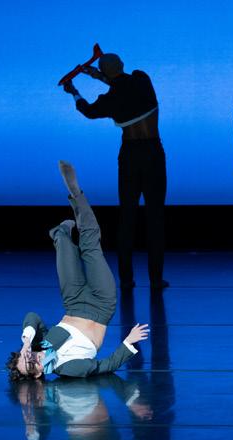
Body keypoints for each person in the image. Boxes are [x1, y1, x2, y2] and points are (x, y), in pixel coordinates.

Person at [6, 161, 149, 380]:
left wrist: (26, 342)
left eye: (27, 356)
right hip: (102, 304)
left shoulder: (41, 344)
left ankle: (67, 216)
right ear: (37, 375)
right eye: (31, 365)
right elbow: (104, 366)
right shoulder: (68, 368)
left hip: (73, 301)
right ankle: (74, 202)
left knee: (64, 248)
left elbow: (32, 316)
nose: (32, 358)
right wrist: (128, 342)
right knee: (90, 248)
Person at [63, 53, 169, 289]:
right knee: (155, 217)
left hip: (130, 155)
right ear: (122, 64)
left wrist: (75, 92)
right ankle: (156, 279)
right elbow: (124, 84)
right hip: (153, 153)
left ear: (105, 72)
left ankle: (126, 280)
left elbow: (89, 111)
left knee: (127, 217)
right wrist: (99, 76)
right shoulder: (142, 80)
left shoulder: (110, 99)